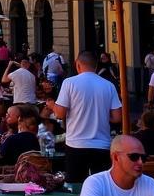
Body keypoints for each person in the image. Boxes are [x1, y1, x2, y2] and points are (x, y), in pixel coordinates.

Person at [52, 50, 123, 183]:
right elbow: (118, 117)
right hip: (102, 145)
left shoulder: (69, 83)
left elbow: (59, 114)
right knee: (102, 186)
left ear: (77, 65)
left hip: (76, 144)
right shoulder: (109, 85)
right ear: (96, 66)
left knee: (76, 187)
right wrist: (101, 115)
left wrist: (52, 106)